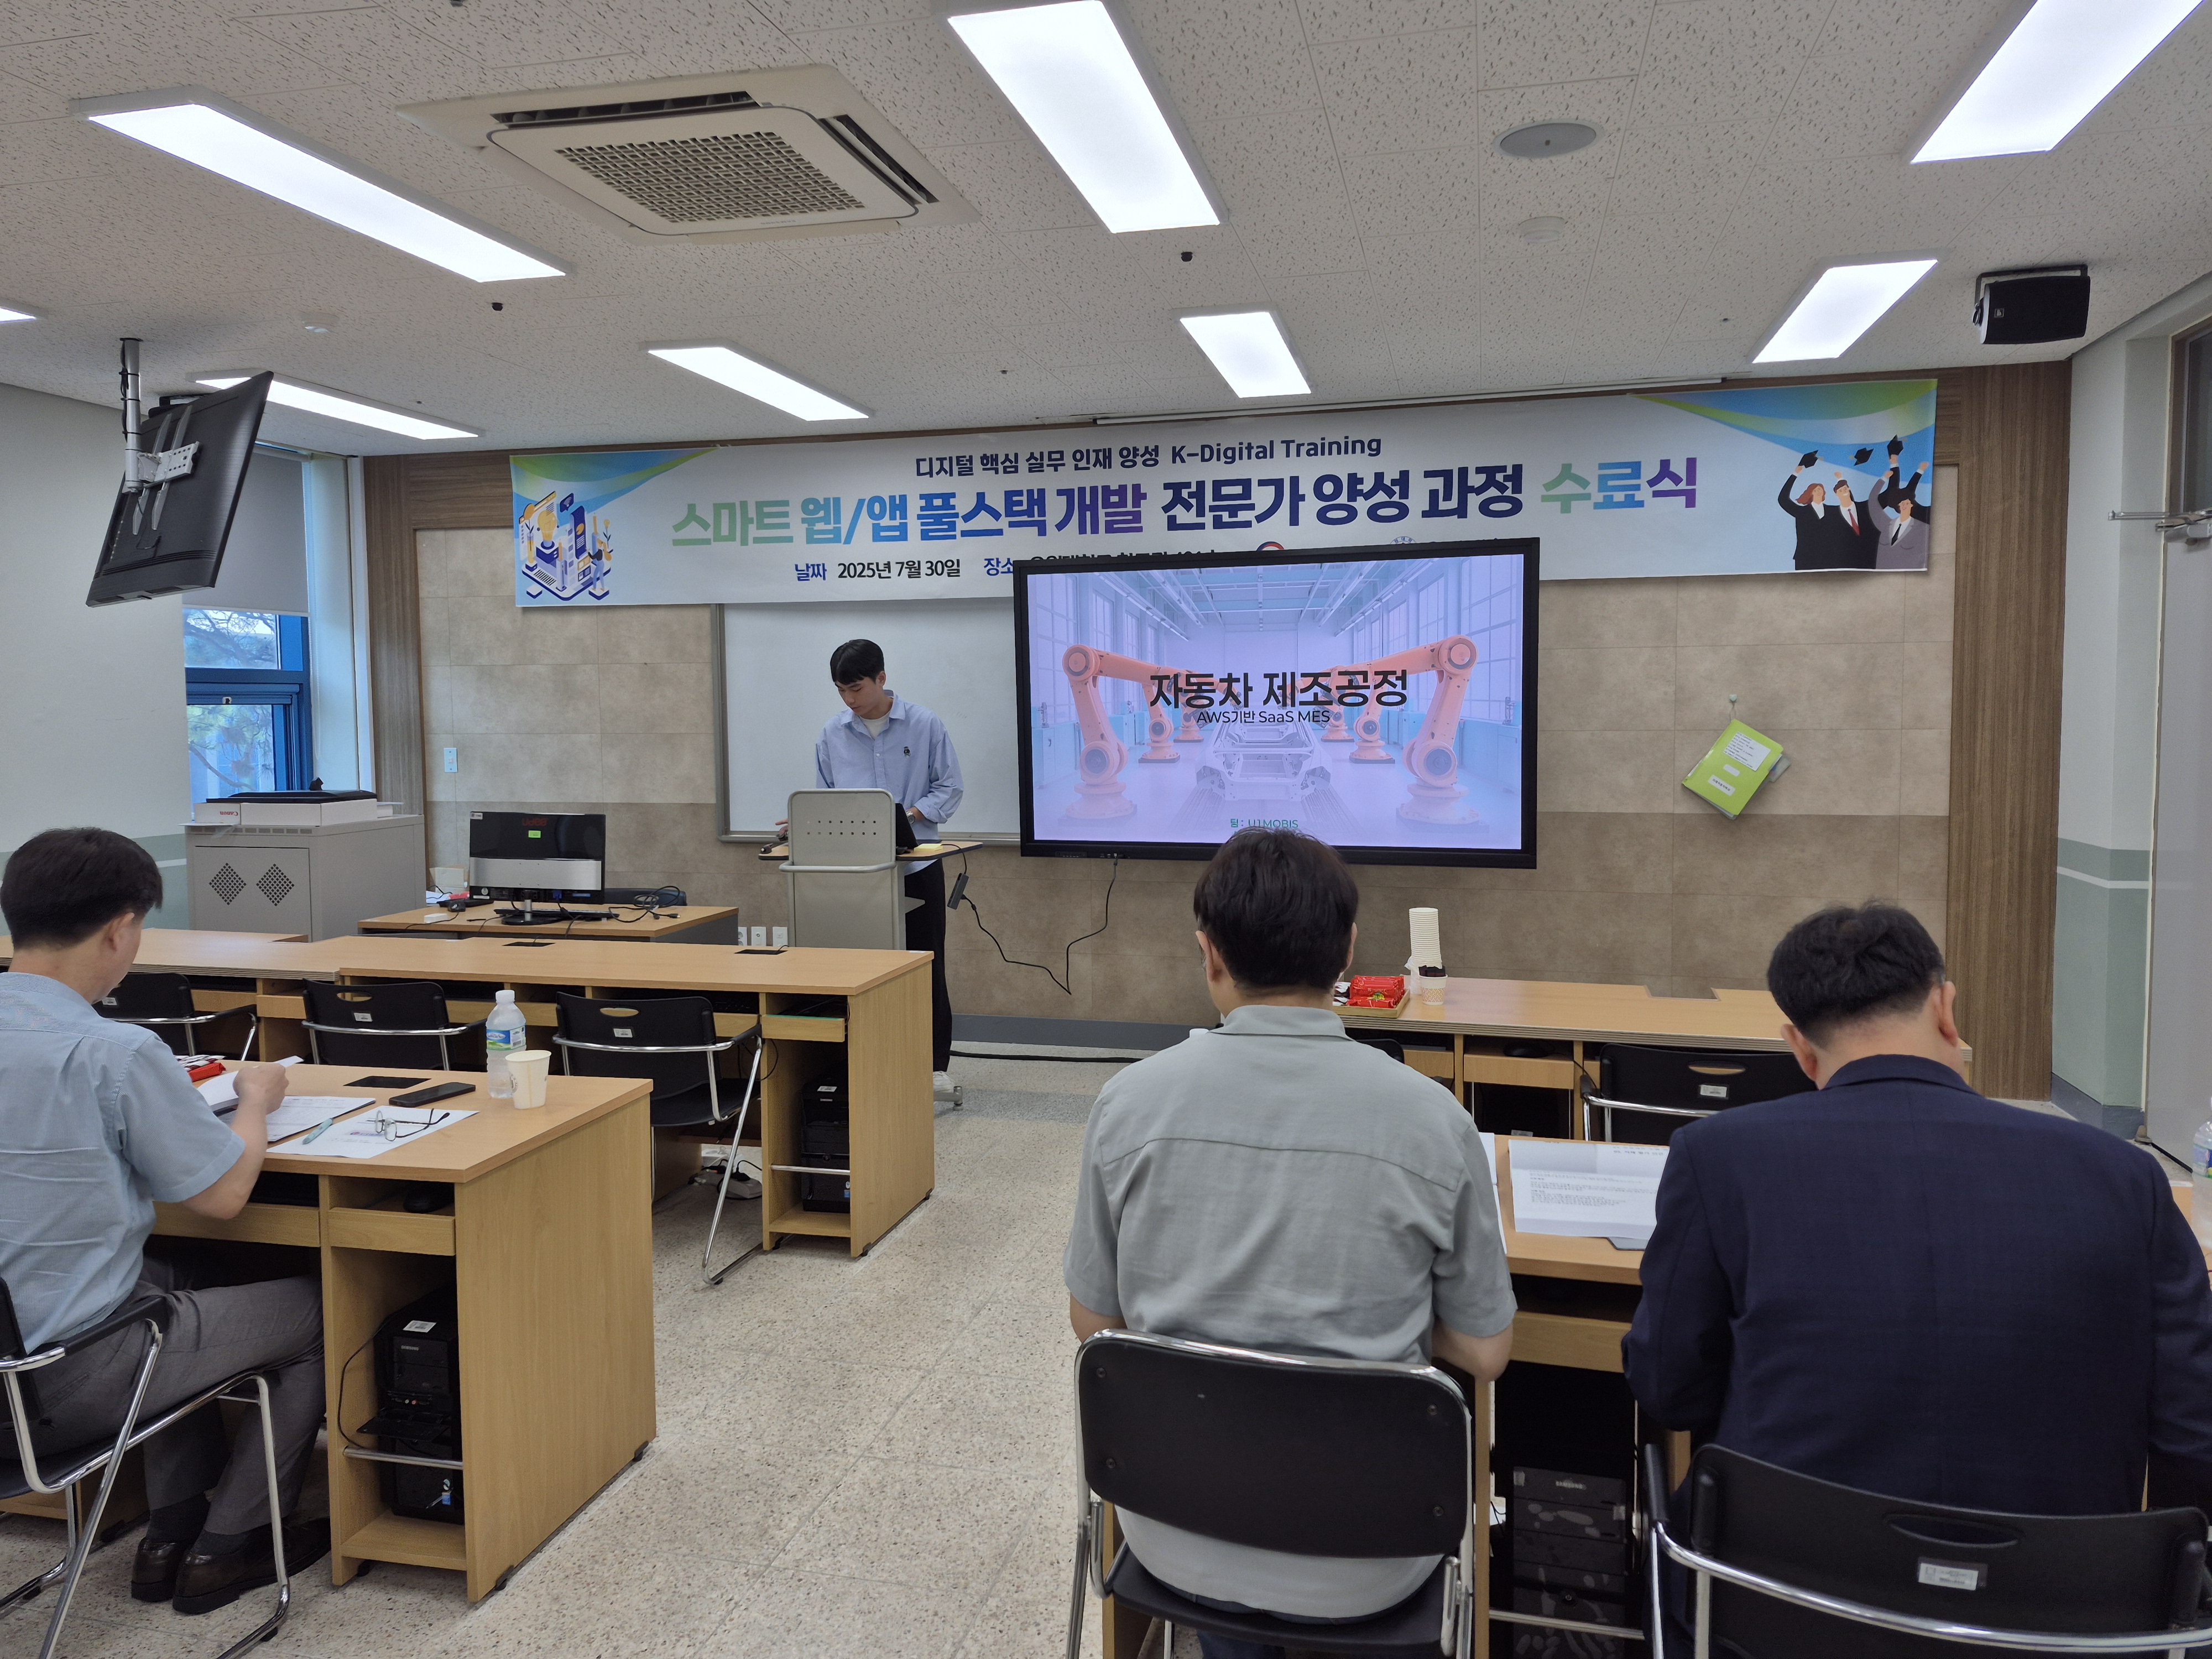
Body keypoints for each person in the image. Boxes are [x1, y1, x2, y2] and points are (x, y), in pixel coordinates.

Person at [1064, 829, 1514, 1659]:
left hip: (1175, 1536)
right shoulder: (1435, 1121)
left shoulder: (1126, 1104)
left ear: (1208, 955)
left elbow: (1096, 1323)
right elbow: (1486, 1354)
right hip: (1376, 1555)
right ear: (1348, 951)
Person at [1624, 902, 2212, 1528]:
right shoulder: (2125, 1177)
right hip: (2060, 1583)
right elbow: (2192, 1422)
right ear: (1945, 1009)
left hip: (1781, 1572)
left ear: (1798, 1047)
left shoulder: (1718, 1156)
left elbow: (1669, 1389)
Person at [0, 828, 328, 1614]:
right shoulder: (112, 1051)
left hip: (14, 1359)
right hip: (60, 1384)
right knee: (320, 1309)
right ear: (120, 930)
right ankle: (228, 1545)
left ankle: (168, 1529)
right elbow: (221, 1195)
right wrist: (255, 1102)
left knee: (177, 1278)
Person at [811, 639, 963, 1086]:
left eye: (857, 688)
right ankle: (865, 1061)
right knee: (858, 968)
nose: (850, 699)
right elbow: (825, 796)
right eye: (841, 690)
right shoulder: (832, 733)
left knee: (926, 963)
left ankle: (933, 1067)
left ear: (881, 678)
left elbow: (949, 788)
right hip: (858, 874)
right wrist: (807, 822)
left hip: (917, 866)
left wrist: (907, 817)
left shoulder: (924, 724)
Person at [1776, 455, 1833, 569]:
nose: (1818, 491)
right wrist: (1795, 474)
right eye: (1815, 490)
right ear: (1810, 494)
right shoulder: (1801, 512)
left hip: (1827, 557)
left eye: (1820, 489)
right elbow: (1783, 499)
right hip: (1805, 558)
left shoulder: (1832, 512)